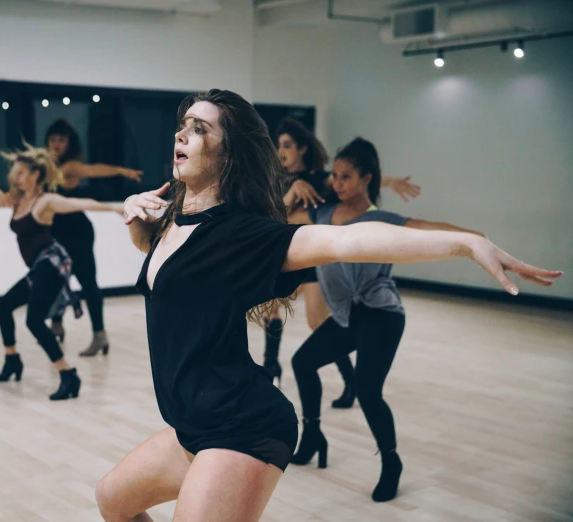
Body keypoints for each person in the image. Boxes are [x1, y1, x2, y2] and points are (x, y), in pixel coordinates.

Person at [93, 89, 561, 521]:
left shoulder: (241, 236)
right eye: (183, 124)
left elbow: (351, 238)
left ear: (229, 153)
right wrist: (139, 225)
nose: (181, 133)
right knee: (112, 499)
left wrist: (465, 243)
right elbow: (169, 273)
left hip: (240, 427)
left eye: (200, 128)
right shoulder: (175, 219)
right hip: (190, 423)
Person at [287, 137, 508, 502]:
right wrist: (294, 188)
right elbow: (274, 217)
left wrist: (474, 240)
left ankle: (391, 462)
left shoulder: (381, 219)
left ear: (366, 179)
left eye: (346, 177)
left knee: (368, 391)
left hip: (381, 314)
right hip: (346, 315)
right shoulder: (321, 213)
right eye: (335, 177)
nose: (337, 183)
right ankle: (312, 434)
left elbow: (427, 227)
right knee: (303, 362)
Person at [265, 117, 421, 406]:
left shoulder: (320, 178)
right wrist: (291, 189)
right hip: (287, 256)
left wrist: (389, 181)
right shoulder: (280, 181)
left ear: (301, 148)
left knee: (316, 323)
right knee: (270, 308)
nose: (281, 151)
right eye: (279, 146)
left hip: (313, 260)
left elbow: (354, 179)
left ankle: (351, 382)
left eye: (286, 145)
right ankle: (270, 368)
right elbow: (275, 217)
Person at [0, 143, 123, 400]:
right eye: (14, 172)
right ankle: (12, 360)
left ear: (35, 174)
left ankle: (68, 375)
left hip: (52, 264)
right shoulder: (18, 200)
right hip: (38, 267)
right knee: (2, 307)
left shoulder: (45, 202)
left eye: (20, 172)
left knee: (34, 321)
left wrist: (115, 208)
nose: (15, 177)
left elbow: (79, 202)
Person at [44, 119, 143, 356]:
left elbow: (95, 169)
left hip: (77, 232)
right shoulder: (46, 168)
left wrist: (122, 171)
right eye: (53, 140)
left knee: (88, 284)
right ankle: (56, 325)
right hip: (55, 232)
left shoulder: (69, 167)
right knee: (55, 280)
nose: (56, 144)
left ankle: (99, 335)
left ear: (69, 143)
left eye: (61, 140)